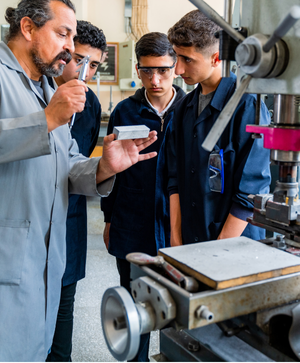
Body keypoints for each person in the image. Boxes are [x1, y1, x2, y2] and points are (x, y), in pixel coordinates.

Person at [0, 0, 157, 362]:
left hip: (42, 261)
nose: (69, 47)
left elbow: (67, 168)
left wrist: (104, 166)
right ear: (28, 27)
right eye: (63, 34)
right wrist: (48, 118)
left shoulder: (49, 88)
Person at [101, 32, 185, 361]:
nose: (155, 79)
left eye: (163, 70)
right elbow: (113, 171)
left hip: (176, 226)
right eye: (147, 71)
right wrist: (109, 219)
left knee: (176, 311)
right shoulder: (125, 111)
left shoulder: (189, 110)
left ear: (176, 67)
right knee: (136, 307)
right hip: (132, 222)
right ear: (137, 70)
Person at [166, 9, 271, 247]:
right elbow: (174, 178)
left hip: (235, 246)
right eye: (176, 57)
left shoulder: (247, 108)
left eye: (188, 60)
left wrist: (218, 248)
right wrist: (175, 236)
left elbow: (251, 193)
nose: (178, 70)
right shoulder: (183, 109)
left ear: (216, 58)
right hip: (190, 240)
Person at [47, 20, 106, 362]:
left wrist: (104, 169)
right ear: (63, 52)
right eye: (79, 59)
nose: (85, 71)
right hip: (32, 220)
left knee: (64, 304)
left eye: (94, 65)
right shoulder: (35, 93)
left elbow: (77, 168)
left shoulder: (91, 106)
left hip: (69, 220)